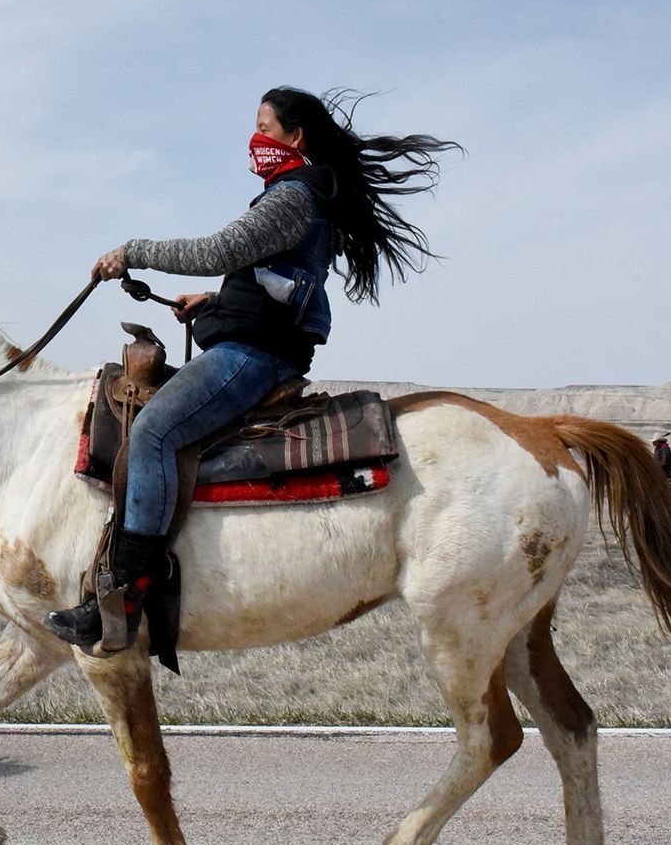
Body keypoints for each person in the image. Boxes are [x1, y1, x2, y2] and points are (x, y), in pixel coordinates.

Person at [43, 88, 459, 654]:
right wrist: (213, 304)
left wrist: (131, 251)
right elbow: (269, 280)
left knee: (154, 432)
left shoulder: (293, 196)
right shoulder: (296, 194)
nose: (255, 138)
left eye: (264, 126)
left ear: (295, 138)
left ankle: (125, 595)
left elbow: (220, 249)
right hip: (251, 342)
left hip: (253, 358)